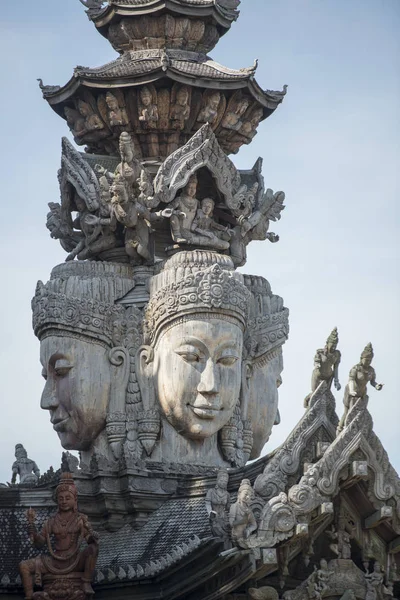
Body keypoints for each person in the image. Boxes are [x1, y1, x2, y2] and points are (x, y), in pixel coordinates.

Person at [19, 473, 98, 600]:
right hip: (54, 560)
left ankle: (86, 581)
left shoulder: (80, 519)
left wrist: (92, 537)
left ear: (75, 500)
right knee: (24, 566)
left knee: (93, 549)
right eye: (60, 498)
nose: (64, 501)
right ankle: (29, 596)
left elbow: (88, 539)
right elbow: (40, 543)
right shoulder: (51, 521)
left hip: (74, 560)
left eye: (68, 498)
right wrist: (32, 529)